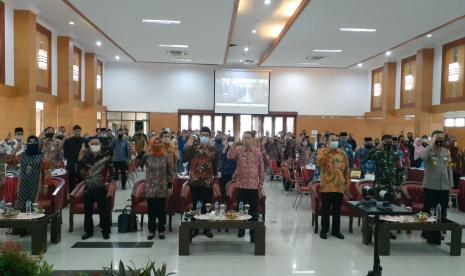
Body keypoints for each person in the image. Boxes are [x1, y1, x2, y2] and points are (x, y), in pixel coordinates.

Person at [182, 126, 219, 239]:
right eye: (202, 135)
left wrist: (214, 180)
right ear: (199, 136)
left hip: (208, 182)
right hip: (195, 181)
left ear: (210, 136)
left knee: (207, 206)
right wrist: (189, 143)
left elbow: (216, 166)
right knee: (195, 206)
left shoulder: (213, 149)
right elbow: (184, 159)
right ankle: (194, 228)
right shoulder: (193, 148)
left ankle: (206, 228)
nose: (204, 137)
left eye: (206, 135)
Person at [228, 131, 264, 242]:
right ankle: (241, 229)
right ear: (242, 139)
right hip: (241, 185)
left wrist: (260, 184)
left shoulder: (258, 152)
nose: (247, 140)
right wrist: (234, 144)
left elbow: (261, 169)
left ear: (252, 139)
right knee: (240, 209)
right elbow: (229, 156)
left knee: (254, 211)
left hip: (253, 186)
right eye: (245, 138)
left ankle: (253, 233)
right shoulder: (238, 150)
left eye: (249, 138)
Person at [420, 130, 453, 245]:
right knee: (427, 208)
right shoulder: (429, 150)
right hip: (430, 186)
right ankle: (424, 229)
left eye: (442, 139)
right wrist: (431, 144)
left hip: (443, 186)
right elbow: (422, 157)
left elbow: (449, 168)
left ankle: (438, 231)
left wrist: (450, 185)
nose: (440, 141)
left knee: (442, 209)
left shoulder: (446, 152)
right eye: (438, 139)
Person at [316, 133, 350, 240]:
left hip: (339, 187)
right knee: (325, 210)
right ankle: (324, 230)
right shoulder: (322, 152)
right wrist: (327, 150)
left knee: (337, 211)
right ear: (327, 141)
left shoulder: (342, 154)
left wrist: (347, 185)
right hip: (326, 186)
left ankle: (336, 231)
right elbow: (319, 163)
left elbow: (347, 170)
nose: (335, 141)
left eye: (337, 140)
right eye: (333, 140)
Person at [78, 137, 113, 240]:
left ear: (100, 144)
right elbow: (80, 169)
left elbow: (111, 170)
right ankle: (88, 231)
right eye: (92, 144)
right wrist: (80, 156)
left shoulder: (105, 156)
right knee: (87, 211)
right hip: (88, 187)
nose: (94, 145)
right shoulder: (86, 157)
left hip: (101, 187)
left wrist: (108, 182)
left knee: (103, 211)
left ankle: (105, 231)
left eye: (96, 143)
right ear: (89, 145)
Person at [141, 137, 174, 240]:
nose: (157, 145)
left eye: (159, 143)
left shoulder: (167, 156)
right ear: (151, 144)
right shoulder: (147, 156)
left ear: (162, 145)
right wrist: (144, 152)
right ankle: (151, 231)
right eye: (154, 143)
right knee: (151, 210)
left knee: (161, 210)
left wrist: (169, 186)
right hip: (150, 187)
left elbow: (170, 172)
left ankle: (161, 230)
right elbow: (138, 163)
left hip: (162, 187)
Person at [15, 136, 44, 212]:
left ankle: (34, 221)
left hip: (35, 182)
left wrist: (43, 185)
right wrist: (18, 150)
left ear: (37, 143)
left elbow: (45, 171)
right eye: (30, 142)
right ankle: (23, 221)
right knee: (21, 203)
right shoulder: (22, 155)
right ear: (27, 143)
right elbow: (12, 160)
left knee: (33, 203)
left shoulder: (42, 155)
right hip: (23, 183)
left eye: (34, 142)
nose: (32, 143)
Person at [63, 125, 84, 193]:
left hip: (81, 163)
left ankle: (81, 194)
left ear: (80, 131)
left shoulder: (83, 140)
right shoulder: (69, 141)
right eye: (76, 131)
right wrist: (70, 158)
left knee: (81, 179)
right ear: (73, 131)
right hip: (71, 163)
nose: (77, 132)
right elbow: (65, 152)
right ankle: (71, 194)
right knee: (71, 179)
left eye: (79, 131)